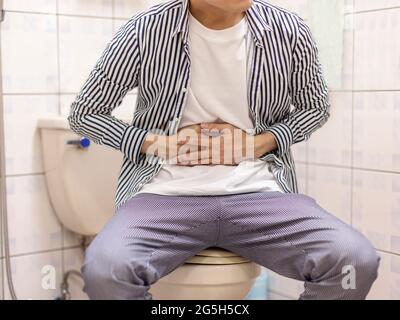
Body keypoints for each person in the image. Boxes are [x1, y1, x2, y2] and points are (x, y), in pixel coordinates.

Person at [68, 0, 380, 300]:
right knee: (106, 271)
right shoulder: (143, 31)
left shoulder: (289, 30)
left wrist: (255, 144)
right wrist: (159, 143)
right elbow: (84, 113)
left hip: (259, 193)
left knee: (353, 261)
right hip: (164, 195)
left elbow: (316, 108)